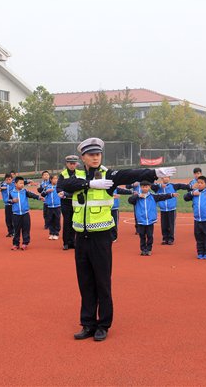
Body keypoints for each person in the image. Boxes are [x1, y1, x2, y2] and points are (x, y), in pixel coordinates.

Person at [58, 137, 176, 341]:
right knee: (85, 282)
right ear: (83, 157)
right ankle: (87, 323)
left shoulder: (109, 174)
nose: (95, 157)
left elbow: (130, 174)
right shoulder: (73, 175)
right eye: (91, 155)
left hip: (102, 236)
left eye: (98, 154)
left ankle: (103, 324)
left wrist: (154, 172)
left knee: (102, 282)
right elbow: (65, 184)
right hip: (81, 238)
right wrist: (89, 183)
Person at [127, 180, 176, 256]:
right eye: (143, 187)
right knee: (142, 236)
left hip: (150, 220)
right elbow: (130, 200)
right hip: (141, 221)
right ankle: (143, 249)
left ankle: (149, 249)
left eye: (146, 187)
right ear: (140, 187)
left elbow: (162, 196)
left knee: (150, 235)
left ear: (149, 187)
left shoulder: (153, 196)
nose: (144, 188)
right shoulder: (137, 198)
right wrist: (137, 196)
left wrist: (171, 195)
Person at [8, 176, 44, 250]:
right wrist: (12, 201)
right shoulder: (11, 192)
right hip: (16, 214)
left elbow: (32, 195)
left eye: (23, 183)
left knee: (26, 229)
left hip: (25, 214)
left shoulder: (24, 191)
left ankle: (25, 243)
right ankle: (16, 244)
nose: (22, 185)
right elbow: (8, 200)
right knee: (16, 230)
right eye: (20, 183)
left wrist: (39, 197)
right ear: (15, 184)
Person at [152, 177, 191, 245]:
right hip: (163, 209)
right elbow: (152, 186)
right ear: (161, 178)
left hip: (171, 209)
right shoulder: (158, 187)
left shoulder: (173, 186)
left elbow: (182, 186)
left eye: (167, 177)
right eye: (164, 177)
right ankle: (165, 238)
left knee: (171, 224)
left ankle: (170, 238)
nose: (166, 179)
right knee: (164, 224)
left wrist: (190, 186)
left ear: (169, 178)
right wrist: (160, 185)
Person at [60, 155, 83, 250]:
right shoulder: (63, 174)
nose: (73, 165)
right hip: (66, 202)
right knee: (67, 222)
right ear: (67, 164)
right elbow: (59, 187)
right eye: (71, 163)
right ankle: (66, 243)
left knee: (75, 222)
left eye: (74, 163)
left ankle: (73, 242)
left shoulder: (80, 173)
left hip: (76, 202)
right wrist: (60, 192)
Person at [41, 173, 64, 240]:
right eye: (54, 178)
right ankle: (51, 233)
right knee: (50, 220)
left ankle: (56, 233)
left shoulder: (59, 187)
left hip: (57, 206)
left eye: (57, 178)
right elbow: (42, 194)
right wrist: (46, 192)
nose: (56, 180)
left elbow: (63, 194)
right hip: (50, 207)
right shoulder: (47, 187)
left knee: (57, 220)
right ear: (51, 179)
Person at [0, 173, 15, 237]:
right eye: (7, 179)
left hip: (13, 204)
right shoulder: (2, 184)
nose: (8, 181)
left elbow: (22, 182)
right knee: (8, 219)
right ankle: (10, 232)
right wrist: (1, 187)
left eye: (9, 179)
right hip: (7, 204)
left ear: (12, 179)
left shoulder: (14, 184)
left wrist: (29, 182)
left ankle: (14, 231)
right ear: (5, 180)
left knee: (14, 218)